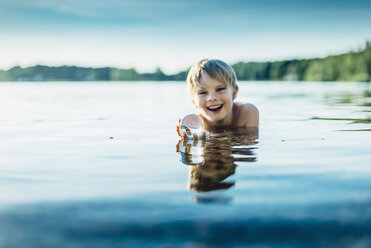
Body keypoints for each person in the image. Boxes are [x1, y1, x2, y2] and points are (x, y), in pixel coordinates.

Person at [176, 58, 259, 139]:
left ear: (234, 92)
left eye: (220, 89)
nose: (211, 98)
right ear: (193, 101)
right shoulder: (196, 126)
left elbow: (247, 146)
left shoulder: (247, 113)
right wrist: (192, 139)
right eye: (203, 92)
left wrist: (211, 138)